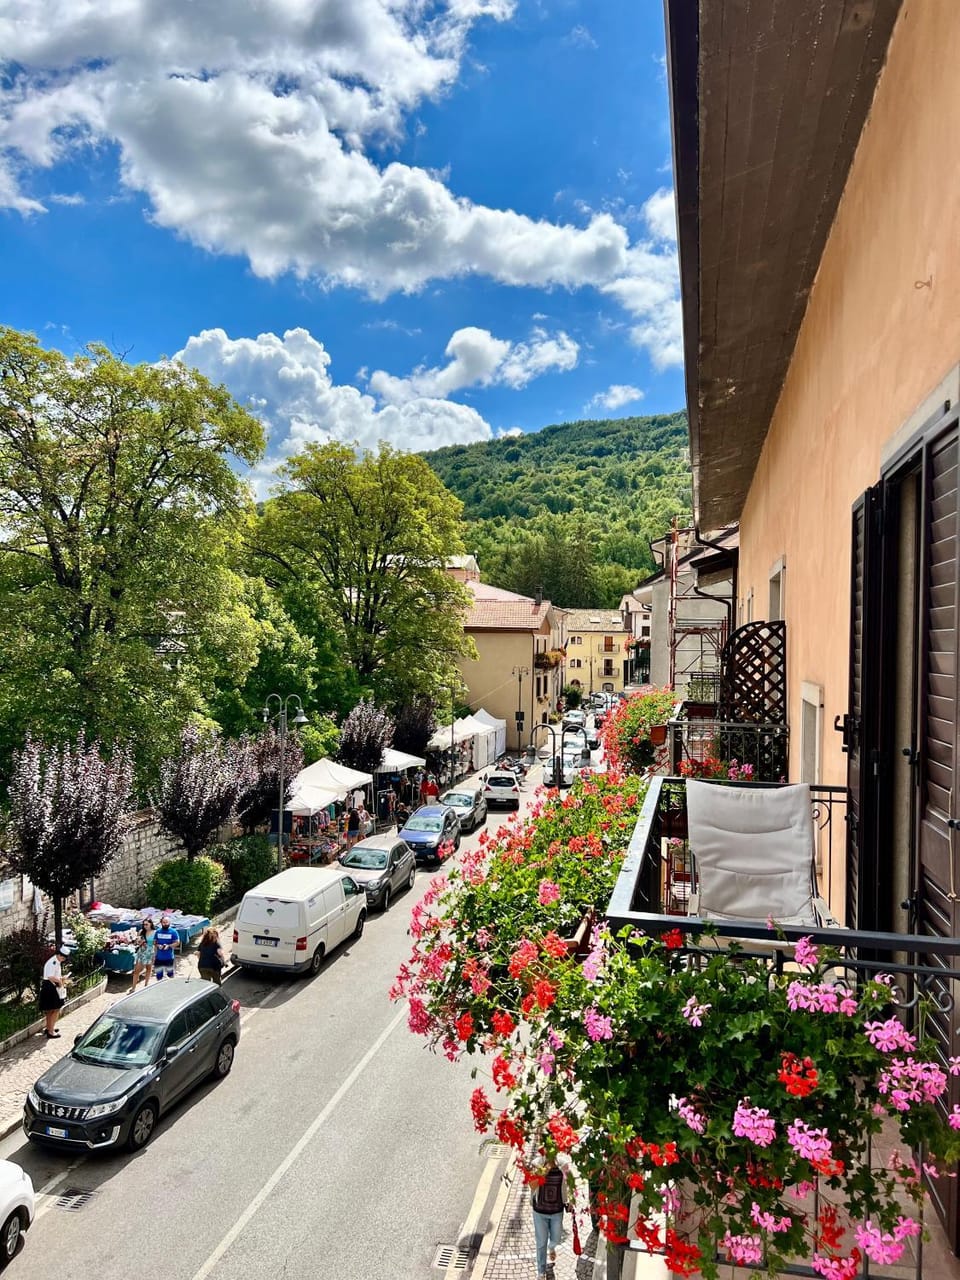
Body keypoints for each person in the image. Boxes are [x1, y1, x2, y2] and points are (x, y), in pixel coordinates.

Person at [532, 1158, 568, 1280]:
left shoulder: (563, 1165)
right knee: (541, 1242)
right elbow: (532, 1185)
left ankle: (551, 1247)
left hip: (557, 1211)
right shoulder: (536, 1164)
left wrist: (570, 1201)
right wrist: (544, 1170)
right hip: (539, 1212)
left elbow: (568, 1186)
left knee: (556, 1238)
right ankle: (541, 1272)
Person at [39, 946, 69, 1039]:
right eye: (63, 957)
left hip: (49, 986)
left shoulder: (56, 961)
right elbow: (50, 976)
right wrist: (60, 982)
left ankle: (49, 1028)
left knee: (51, 1010)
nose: (63, 959)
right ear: (59, 955)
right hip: (50, 987)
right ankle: (51, 1032)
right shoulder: (53, 962)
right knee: (55, 1009)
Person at [130, 917, 156, 991]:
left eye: (146, 924)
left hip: (150, 952)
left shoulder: (155, 932)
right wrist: (139, 942)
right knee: (137, 970)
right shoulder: (141, 931)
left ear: (151, 924)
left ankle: (146, 985)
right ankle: (133, 987)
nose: (145, 926)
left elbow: (155, 944)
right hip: (142, 951)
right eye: (144, 924)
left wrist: (155, 955)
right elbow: (136, 943)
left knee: (149, 968)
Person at [152, 914, 180, 981]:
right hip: (159, 958)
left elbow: (177, 942)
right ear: (161, 923)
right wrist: (158, 945)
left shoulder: (173, 932)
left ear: (169, 922)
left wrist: (169, 946)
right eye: (164, 922)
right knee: (158, 976)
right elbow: (154, 942)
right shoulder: (158, 931)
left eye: (166, 922)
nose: (165, 924)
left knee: (170, 975)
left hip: (169, 957)